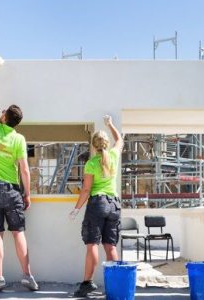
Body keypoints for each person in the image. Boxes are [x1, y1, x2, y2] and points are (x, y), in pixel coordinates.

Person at [0, 61, 38, 291]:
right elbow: (24, 169)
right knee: (18, 232)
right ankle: (28, 275)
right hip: (13, 191)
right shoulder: (19, 139)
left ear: (4, 117)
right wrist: (28, 195)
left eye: (2, 111)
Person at [69, 115, 123, 297]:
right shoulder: (114, 156)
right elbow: (120, 140)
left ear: (93, 145)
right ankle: (116, 286)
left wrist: (76, 209)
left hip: (98, 204)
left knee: (92, 244)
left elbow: (86, 190)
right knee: (110, 246)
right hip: (114, 204)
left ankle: (87, 284)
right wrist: (110, 124)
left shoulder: (91, 164)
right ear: (106, 144)